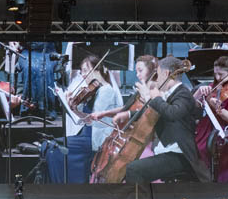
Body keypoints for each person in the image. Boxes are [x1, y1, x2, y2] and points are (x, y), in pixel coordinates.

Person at [123, 56, 210, 183]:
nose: (157, 79)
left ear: (166, 73)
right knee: (132, 167)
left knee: (133, 169)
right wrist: (128, 115)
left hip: (182, 154)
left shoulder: (183, 93)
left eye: (158, 74)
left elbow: (172, 113)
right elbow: (155, 113)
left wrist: (155, 98)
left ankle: (141, 196)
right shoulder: (172, 93)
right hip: (171, 150)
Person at [50, 53, 124, 183]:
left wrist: (77, 109)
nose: (82, 75)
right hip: (87, 134)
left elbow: (93, 120)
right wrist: (74, 109)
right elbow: (89, 120)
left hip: (95, 139)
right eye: (81, 71)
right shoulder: (96, 91)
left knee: (54, 148)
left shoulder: (106, 90)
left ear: (97, 70)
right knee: (52, 146)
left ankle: (64, 183)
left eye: (85, 70)